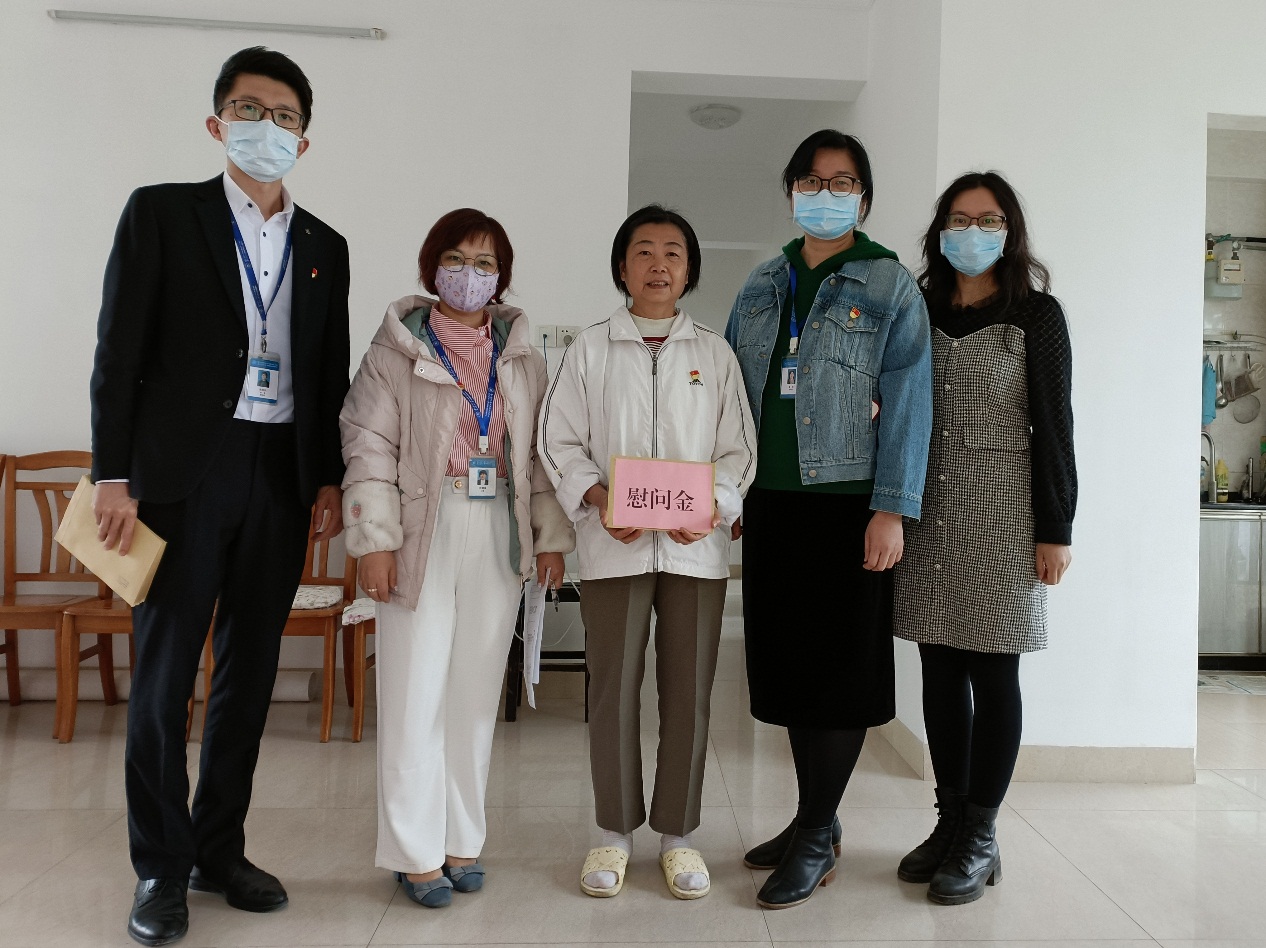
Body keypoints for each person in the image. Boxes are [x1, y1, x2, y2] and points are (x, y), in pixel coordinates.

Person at [89, 47, 349, 946]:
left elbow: (326, 370)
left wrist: (328, 477)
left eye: (284, 116)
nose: (266, 126)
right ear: (216, 123)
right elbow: (119, 350)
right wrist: (112, 476)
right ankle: (160, 868)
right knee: (165, 680)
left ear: (304, 140)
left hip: (279, 474)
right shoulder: (162, 213)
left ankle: (218, 849)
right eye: (249, 109)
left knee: (248, 676)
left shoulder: (324, 246)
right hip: (179, 477)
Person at [339, 209, 574, 909]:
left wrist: (550, 538)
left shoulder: (522, 356)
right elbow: (368, 446)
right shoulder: (395, 349)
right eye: (456, 259)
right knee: (414, 691)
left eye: (485, 263)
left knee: (475, 691)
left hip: (499, 524)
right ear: (431, 266)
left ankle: (461, 840)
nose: (470, 275)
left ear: (502, 277)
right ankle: (414, 853)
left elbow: (538, 457)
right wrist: (375, 543)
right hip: (422, 526)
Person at [725, 129, 932, 910]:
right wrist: (728, 490)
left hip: (849, 506)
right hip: (771, 503)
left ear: (864, 199)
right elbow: (729, 394)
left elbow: (910, 400)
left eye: (843, 182)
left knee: (841, 675)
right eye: (812, 180)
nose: (826, 194)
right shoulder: (761, 282)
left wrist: (892, 509)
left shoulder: (888, 283)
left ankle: (815, 834)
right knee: (790, 670)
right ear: (791, 191)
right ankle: (816, 815)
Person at [540, 204, 756, 901]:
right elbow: (557, 440)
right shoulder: (589, 349)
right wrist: (598, 497)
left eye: (673, 253)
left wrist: (714, 506)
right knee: (611, 691)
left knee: (689, 693)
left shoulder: (714, 354)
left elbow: (739, 451)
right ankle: (612, 831)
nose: (658, 264)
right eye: (643, 251)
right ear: (622, 267)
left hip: (695, 553)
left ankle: (678, 836)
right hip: (613, 548)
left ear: (690, 271)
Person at [894, 171, 1076, 905]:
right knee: (939, 671)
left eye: (988, 220)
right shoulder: (919, 305)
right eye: (960, 220)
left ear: (1010, 231)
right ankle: (948, 821)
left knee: (995, 675)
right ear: (941, 231)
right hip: (928, 502)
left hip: (1006, 505)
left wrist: (1056, 527)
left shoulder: (1036, 314)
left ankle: (981, 833)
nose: (973, 232)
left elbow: (1055, 423)